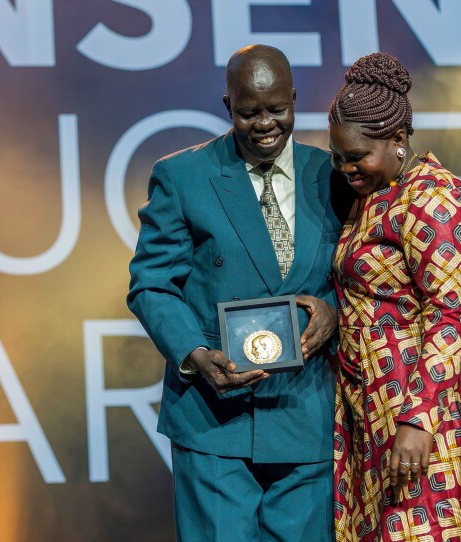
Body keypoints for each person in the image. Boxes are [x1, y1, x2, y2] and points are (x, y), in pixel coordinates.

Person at [128, 44, 349, 540]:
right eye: (250, 112)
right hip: (214, 419)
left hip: (306, 414)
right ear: (228, 107)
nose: (266, 124)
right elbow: (152, 283)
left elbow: (359, 274)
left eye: (278, 110)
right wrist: (194, 353)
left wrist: (333, 313)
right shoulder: (185, 177)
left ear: (294, 99)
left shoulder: (332, 176)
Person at [328, 52, 461, 542]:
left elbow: (452, 313)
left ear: (398, 141)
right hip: (370, 414)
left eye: (357, 156)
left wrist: (418, 418)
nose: (346, 168)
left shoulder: (432, 197)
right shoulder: (373, 197)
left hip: (420, 418)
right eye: (338, 156)